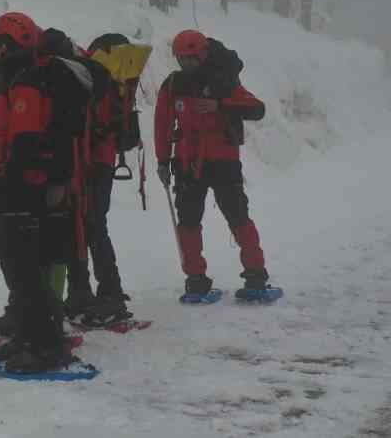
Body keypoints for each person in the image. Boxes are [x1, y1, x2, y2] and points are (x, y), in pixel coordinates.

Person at [0, 14, 92, 374]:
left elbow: (24, 140)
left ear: (8, 46)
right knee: (24, 268)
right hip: (27, 187)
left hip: (22, 191)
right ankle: (31, 336)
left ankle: (45, 346)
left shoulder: (26, 83)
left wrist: (10, 184)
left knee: (22, 269)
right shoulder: (21, 78)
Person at [155, 29, 272, 298]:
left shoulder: (224, 81)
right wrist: (162, 160)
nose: (187, 63)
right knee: (188, 221)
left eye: (192, 58)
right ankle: (195, 279)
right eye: (182, 58)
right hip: (186, 163)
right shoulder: (173, 85)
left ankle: (255, 275)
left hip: (223, 161)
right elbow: (162, 125)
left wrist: (221, 105)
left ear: (204, 54)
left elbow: (257, 109)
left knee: (237, 216)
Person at [63, 33, 140, 327]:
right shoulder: (112, 81)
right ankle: (93, 292)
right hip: (100, 161)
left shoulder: (95, 79)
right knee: (87, 226)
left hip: (92, 161)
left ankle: (107, 294)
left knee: (90, 225)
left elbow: (94, 122)